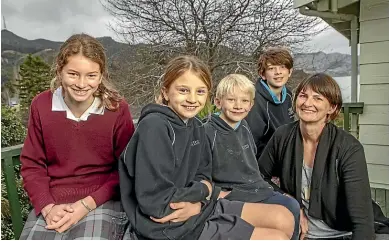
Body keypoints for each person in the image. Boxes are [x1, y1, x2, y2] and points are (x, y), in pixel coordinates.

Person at [119, 55, 294, 240]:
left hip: (199, 208)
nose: (192, 99)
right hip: (171, 226)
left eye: (200, 91)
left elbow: (204, 176)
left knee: (284, 218)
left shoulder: (194, 126)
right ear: (165, 92)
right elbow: (156, 203)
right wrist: (203, 193)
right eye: (183, 90)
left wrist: (201, 198)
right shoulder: (154, 127)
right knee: (276, 238)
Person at [20, 33, 135, 240]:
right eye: (73, 74)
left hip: (102, 199)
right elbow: (32, 164)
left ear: (101, 76)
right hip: (54, 201)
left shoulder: (117, 109)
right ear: (59, 71)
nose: (82, 84)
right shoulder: (41, 105)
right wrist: (47, 206)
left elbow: (126, 168)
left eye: (91, 75)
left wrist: (86, 204)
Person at [257, 73, 375, 239]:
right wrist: (289, 201)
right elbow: (259, 177)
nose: (308, 103)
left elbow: (362, 220)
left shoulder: (348, 148)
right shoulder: (283, 136)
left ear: (332, 108)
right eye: (303, 96)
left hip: (340, 233)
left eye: (318, 98)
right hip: (295, 231)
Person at [204, 73, 300, 239]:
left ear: (251, 105)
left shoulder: (244, 127)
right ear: (218, 102)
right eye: (231, 100)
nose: (238, 106)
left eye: (244, 101)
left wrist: (275, 190)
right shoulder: (208, 131)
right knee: (287, 207)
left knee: (292, 203)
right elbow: (201, 172)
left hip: (255, 188)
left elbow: (252, 167)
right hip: (233, 192)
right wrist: (218, 193)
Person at [246, 47, 295, 159]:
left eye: (282, 67)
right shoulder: (254, 99)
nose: (278, 72)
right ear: (262, 74)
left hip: (283, 155)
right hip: (263, 161)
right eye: (271, 68)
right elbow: (251, 143)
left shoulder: (288, 95)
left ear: (290, 72)